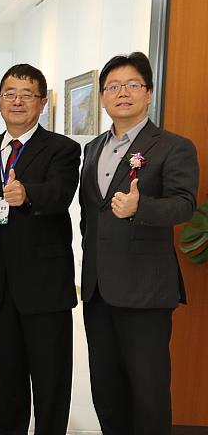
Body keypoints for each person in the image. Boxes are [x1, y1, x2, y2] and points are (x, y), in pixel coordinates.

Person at [80, 52, 198, 434]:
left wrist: (140, 207)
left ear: (148, 93)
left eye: (132, 85)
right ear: (102, 96)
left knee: (148, 393)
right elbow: (90, 215)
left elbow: (184, 204)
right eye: (113, 86)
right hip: (98, 290)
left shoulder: (173, 146)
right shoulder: (93, 149)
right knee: (106, 390)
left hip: (146, 291)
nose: (122, 93)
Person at [0, 64, 80, 434]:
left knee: (51, 380)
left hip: (45, 286)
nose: (17, 101)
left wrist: (27, 194)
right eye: (10, 94)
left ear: (41, 103)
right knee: (4, 380)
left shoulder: (63, 149)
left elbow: (60, 193)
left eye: (27, 95)